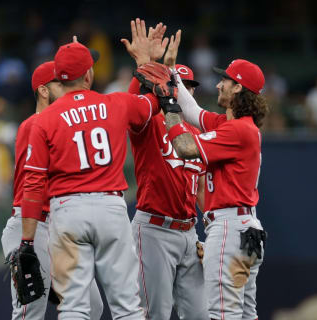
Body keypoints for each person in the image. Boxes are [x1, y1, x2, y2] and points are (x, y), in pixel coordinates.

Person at [21, 32, 160, 319]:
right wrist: (147, 65)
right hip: (110, 206)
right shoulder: (116, 103)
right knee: (127, 307)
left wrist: (27, 242)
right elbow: (152, 104)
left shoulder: (43, 120)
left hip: (68, 210)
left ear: (59, 77)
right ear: (89, 74)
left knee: (73, 306)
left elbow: (33, 184)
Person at [150, 31, 269, 320]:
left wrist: (167, 106)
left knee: (221, 314)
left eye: (225, 80)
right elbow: (194, 112)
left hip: (229, 229)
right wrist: (170, 72)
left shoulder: (238, 130)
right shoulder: (238, 126)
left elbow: (185, 146)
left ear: (238, 89)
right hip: (246, 226)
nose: (218, 84)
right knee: (245, 314)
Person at [1, 60, 104, 320]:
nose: (68, 87)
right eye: (61, 82)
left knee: (92, 306)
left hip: (60, 228)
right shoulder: (34, 124)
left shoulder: (59, 124)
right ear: (44, 91)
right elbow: (33, 183)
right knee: (29, 311)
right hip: (33, 226)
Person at [123, 22, 209, 320]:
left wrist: (211, 230)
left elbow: (199, 188)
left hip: (189, 232)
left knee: (200, 316)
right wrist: (145, 64)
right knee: (154, 314)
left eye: (186, 86)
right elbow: (131, 108)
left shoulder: (198, 132)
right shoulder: (149, 121)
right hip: (155, 230)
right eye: (173, 85)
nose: (179, 90)